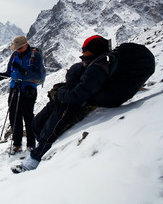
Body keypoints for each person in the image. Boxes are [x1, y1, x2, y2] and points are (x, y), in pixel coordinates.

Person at [12, 35, 111, 173]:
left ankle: (33, 161)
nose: (82, 52)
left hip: (68, 104)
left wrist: (59, 94)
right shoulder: (92, 64)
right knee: (37, 123)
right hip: (61, 98)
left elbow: (79, 94)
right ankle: (43, 148)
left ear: (93, 50)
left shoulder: (96, 68)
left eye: (84, 49)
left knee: (49, 130)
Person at [0, 36, 44, 154]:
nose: (18, 50)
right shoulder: (14, 55)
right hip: (14, 89)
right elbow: (9, 72)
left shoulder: (35, 56)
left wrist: (24, 71)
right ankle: (16, 144)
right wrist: (2, 76)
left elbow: (38, 75)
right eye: (16, 48)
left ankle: (31, 144)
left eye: (20, 48)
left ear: (26, 45)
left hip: (28, 90)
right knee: (14, 116)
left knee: (28, 116)